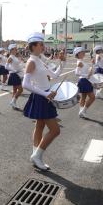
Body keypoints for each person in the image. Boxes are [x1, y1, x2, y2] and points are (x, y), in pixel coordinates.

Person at [22, 32, 66, 171]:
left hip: (44, 96)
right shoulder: (31, 61)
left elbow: (54, 75)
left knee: (40, 126)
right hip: (42, 97)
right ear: (33, 46)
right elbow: (25, 84)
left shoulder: (39, 59)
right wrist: (45, 93)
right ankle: (37, 156)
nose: (43, 46)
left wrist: (62, 62)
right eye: (41, 44)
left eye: (43, 44)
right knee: (55, 130)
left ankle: (36, 155)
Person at [74, 47, 95, 118]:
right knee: (92, 97)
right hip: (84, 81)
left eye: (83, 52)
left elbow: (86, 71)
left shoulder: (82, 61)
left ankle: (81, 111)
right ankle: (83, 111)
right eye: (82, 52)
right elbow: (76, 73)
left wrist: (92, 65)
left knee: (83, 97)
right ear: (78, 54)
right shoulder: (79, 62)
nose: (84, 53)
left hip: (85, 80)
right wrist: (87, 75)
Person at [5, 44, 24, 109]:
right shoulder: (10, 57)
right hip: (14, 75)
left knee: (15, 90)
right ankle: (13, 101)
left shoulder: (14, 57)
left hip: (17, 74)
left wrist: (21, 61)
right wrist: (13, 70)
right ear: (12, 50)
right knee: (20, 90)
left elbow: (18, 64)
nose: (17, 50)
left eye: (16, 49)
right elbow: (6, 66)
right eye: (15, 49)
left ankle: (13, 103)